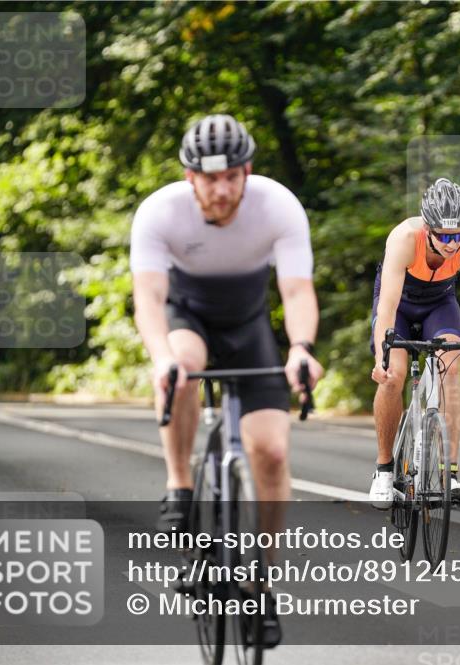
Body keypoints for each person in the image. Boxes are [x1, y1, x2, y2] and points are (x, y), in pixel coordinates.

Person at [130, 113, 323, 647]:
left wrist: (302, 348)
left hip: (249, 324)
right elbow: (147, 297)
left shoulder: (278, 206)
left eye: (232, 176)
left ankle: (260, 584)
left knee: (272, 453)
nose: (221, 189)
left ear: (247, 172)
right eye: (209, 178)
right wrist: (160, 357)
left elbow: (298, 291)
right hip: (186, 317)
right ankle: (179, 484)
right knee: (182, 367)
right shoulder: (159, 212)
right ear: (190, 177)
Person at [368, 178, 460, 509]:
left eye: (459, 235)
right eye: (444, 236)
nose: (453, 244)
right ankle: (383, 471)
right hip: (399, 305)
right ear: (428, 229)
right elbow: (387, 306)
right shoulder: (403, 238)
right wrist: (381, 359)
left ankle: (449, 472)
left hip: (440, 305)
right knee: (394, 376)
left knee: (451, 372)